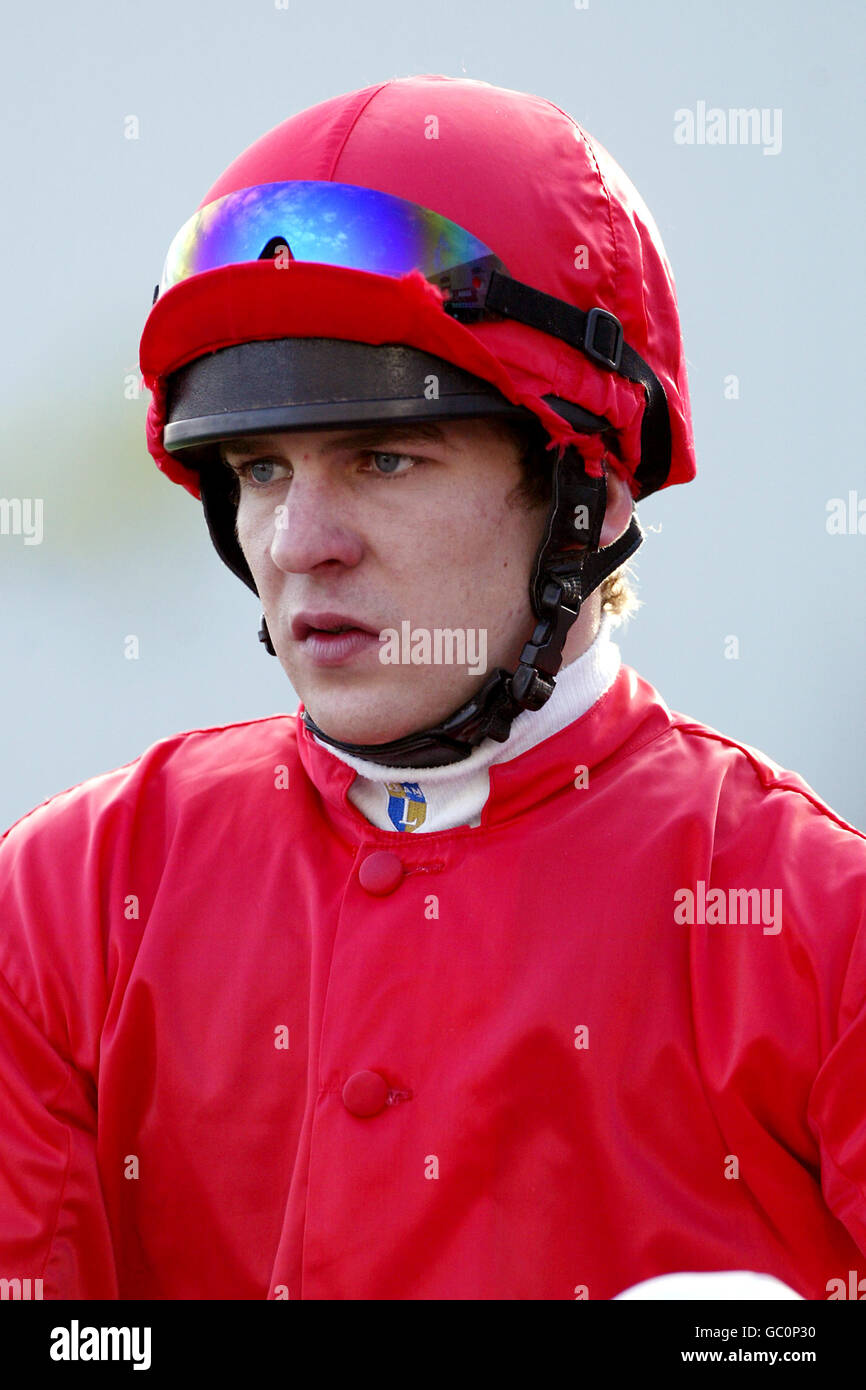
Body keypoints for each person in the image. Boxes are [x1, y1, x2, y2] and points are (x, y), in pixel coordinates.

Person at [0, 73, 863, 1303]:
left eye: (384, 456)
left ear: (589, 493)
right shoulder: (64, 901)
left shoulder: (820, 934)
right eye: (257, 468)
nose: (300, 541)